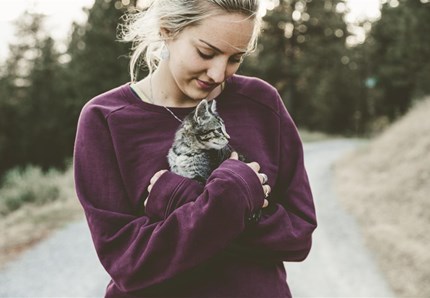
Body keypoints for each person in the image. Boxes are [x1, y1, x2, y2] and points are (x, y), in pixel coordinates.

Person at [73, 0, 317, 297]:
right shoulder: (106, 118)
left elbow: (298, 235)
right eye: (207, 53)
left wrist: (183, 200)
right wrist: (231, 199)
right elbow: (129, 264)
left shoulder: (261, 103)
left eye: (235, 58)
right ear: (167, 31)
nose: (218, 73)